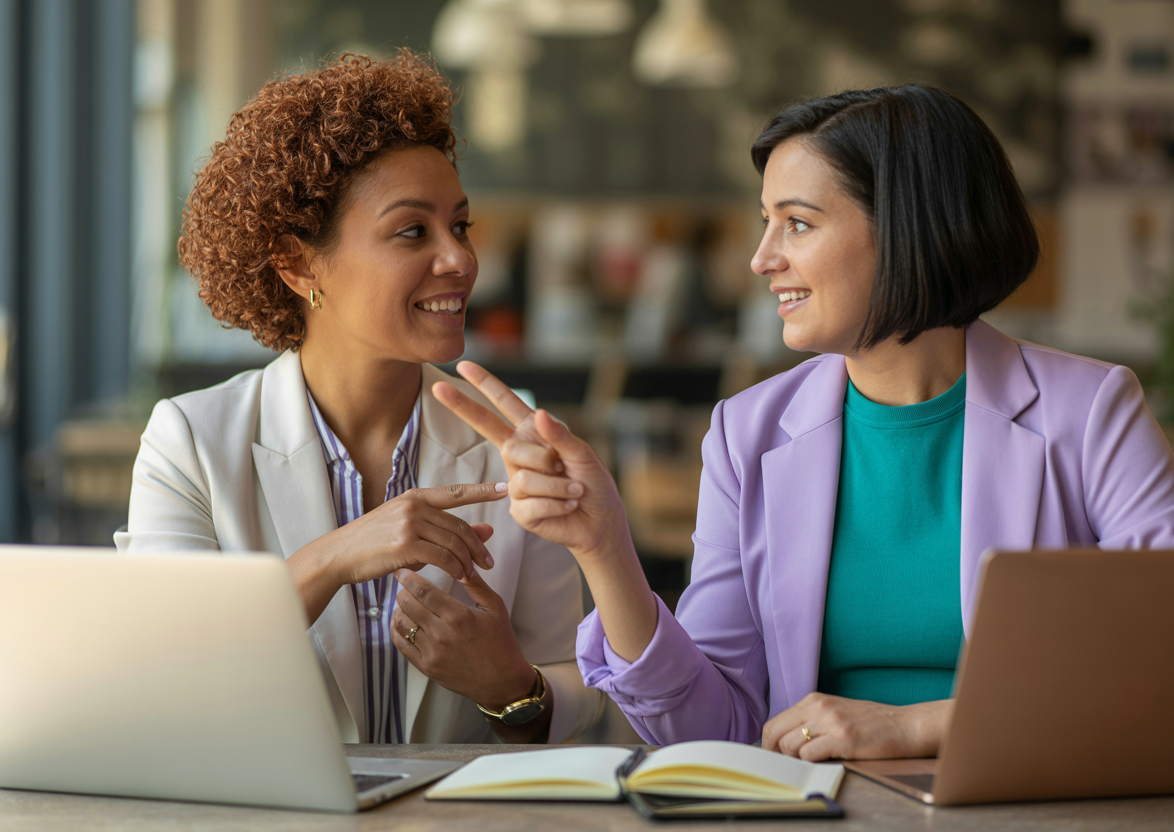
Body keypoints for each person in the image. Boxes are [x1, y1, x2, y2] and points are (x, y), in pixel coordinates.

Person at [434, 85, 1174, 759]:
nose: (762, 259)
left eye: (797, 223)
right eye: (766, 223)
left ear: (910, 227)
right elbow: (710, 732)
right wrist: (604, 549)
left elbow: (1157, 666)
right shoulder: (747, 432)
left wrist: (915, 726)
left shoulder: (1091, 412)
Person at [117, 51, 600, 745]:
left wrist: (509, 688)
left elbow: (582, 707)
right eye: (413, 231)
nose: (460, 259)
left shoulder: (513, 439)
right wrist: (336, 557)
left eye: (459, 226)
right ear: (297, 264)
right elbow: (161, 682)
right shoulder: (190, 441)